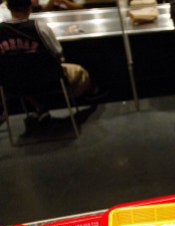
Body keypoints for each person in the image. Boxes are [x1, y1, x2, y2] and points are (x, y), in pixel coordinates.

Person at [0, 0, 100, 133]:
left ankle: (40, 107)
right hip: (51, 80)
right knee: (79, 70)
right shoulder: (39, 27)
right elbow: (58, 52)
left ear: (8, 8)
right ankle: (93, 95)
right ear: (30, 7)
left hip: (14, 84)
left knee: (23, 74)